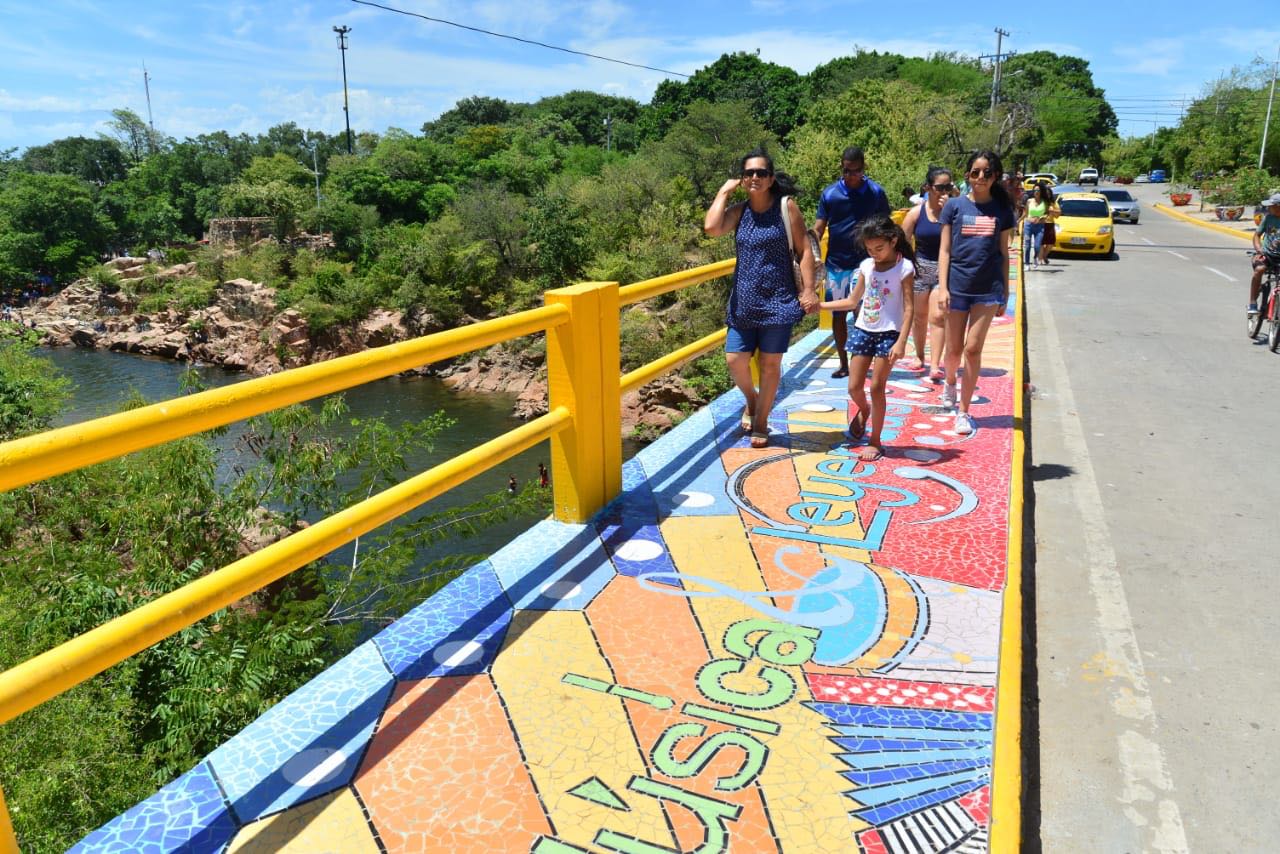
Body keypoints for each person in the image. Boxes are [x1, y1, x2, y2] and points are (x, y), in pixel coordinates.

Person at [704, 148, 818, 449]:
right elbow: (711, 228)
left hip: (779, 299)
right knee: (735, 359)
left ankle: (762, 421)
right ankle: (752, 400)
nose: (755, 177)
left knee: (769, 364)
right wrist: (723, 192)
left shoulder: (786, 207)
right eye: (749, 173)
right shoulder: (740, 211)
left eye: (761, 173)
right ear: (742, 179)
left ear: (770, 179)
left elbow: (804, 249)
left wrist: (808, 290)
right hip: (744, 301)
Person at [819, 215, 916, 462]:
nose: (875, 254)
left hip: (889, 333)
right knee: (853, 386)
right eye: (870, 249)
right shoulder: (866, 266)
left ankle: (875, 441)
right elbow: (852, 301)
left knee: (876, 387)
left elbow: (909, 308)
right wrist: (820, 306)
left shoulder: (904, 268)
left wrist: (901, 342)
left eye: (879, 248)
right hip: (863, 330)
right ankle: (864, 410)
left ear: (893, 241)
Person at [938, 149, 1016, 436]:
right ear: (967, 174)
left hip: (987, 289)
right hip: (957, 286)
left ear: (995, 177)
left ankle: (964, 411)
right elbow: (945, 250)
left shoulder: (1002, 210)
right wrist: (942, 287)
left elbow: (1004, 253)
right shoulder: (954, 206)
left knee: (972, 349)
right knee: (953, 349)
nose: (981, 177)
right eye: (975, 172)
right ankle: (949, 382)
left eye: (987, 172)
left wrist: (1005, 292)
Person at [811, 146, 892, 379]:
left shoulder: (875, 192)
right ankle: (844, 364)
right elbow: (819, 227)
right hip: (836, 264)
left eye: (855, 171)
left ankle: (861, 362)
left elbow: (886, 225)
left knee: (862, 313)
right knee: (838, 315)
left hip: (867, 263)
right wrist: (808, 246)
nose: (851, 176)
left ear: (863, 168)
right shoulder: (830, 194)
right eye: (847, 171)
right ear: (842, 167)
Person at [900, 166, 953, 381]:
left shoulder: (954, 211)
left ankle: (935, 364)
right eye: (940, 187)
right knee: (919, 317)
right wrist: (906, 269)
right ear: (928, 188)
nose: (944, 192)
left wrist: (949, 211)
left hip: (944, 269)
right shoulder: (916, 213)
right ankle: (920, 356)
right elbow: (902, 242)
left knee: (938, 316)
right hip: (920, 269)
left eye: (948, 187)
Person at [1249, 193, 1280, 314]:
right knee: (1259, 270)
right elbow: (1257, 235)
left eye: (1271, 206)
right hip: (1268, 255)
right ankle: (1252, 303)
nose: (1268, 208)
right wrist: (1259, 249)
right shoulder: (1268, 218)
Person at [1023, 183, 1051, 269]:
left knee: (1037, 246)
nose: (1036, 192)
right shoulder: (1029, 201)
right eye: (1035, 190)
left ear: (1041, 191)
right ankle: (1027, 264)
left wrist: (1041, 218)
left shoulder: (1045, 202)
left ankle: (1035, 257)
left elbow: (1047, 213)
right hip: (1028, 225)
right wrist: (1025, 220)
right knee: (1027, 246)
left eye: (1038, 190)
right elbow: (1026, 213)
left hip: (1040, 226)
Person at [1036, 183, 1059, 267]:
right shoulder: (1040, 202)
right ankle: (1040, 259)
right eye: (1046, 194)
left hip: (1050, 224)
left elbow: (1058, 214)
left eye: (1049, 194)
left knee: (1051, 242)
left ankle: (1044, 256)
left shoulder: (1054, 203)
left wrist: (1052, 211)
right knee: (1041, 242)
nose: (1047, 195)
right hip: (1041, 223)